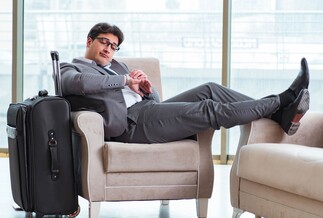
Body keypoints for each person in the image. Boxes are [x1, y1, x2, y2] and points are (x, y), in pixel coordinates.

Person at [61, 22, 310, 143]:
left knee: (210, 89)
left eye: (114, 46)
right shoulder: (71, 67)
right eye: (104, 42)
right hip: (129, 125)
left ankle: (280, 116)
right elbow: (80, 84)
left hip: (146, 111)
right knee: (208, 109)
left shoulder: (118, 67)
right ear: (89, 41)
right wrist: (125, 81)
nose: (109, 49)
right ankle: (281, 101)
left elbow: (156, 104)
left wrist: (146, 91)